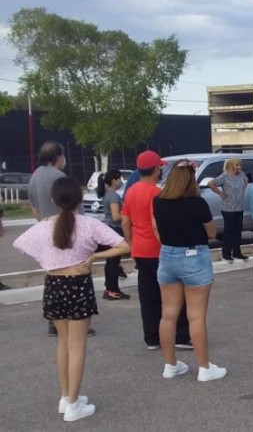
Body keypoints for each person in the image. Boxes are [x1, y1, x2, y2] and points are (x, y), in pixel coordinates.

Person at [14, 177, 130, 421]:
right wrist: (93, 258)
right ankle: (74, 405)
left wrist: (49, 261)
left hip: (53, 285)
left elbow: (20, 244)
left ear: (53, 200)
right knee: (77, 345)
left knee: (63, 344)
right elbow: (123, 246)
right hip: (78, 285)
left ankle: (66, 396)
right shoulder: (89, 224)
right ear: (79, 199)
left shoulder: (44, 226)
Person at [152, 159, 226, 382]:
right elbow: (212, 232)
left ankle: (170, 364)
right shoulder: (197, 203)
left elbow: (157, 227)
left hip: (167, 256)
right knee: (196, 317)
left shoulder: (159, 201)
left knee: (168, 314)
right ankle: (204, 367)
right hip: (194, 256)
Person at [122, 150, 192, 350]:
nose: (161, 170)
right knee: (175, 292)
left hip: (140, 250)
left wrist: (131, 244)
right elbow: (156, 223)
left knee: (148, 295)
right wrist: (167, 243)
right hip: (158, 249)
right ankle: (180, 335)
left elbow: (126, 222)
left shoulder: (132, 191)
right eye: (160, 167)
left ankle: (152, 337)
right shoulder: (156, 193)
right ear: (155, 169)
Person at [28, 141, 96, 337]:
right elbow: (75, 207)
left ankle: (54, 320)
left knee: (53, 274)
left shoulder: (34, 177)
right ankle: (75, 319)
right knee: (73, 274)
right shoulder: (59, 177)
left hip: (46, 228)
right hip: (65, 228)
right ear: (58, 157)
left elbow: (34, 208)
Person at [208, 158, 249, 263]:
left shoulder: (241, 174)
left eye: (240, 165)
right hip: (228, 208)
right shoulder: (224, 176)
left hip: (239, 206)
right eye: (237, 165)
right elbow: (211, 183)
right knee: (229, 231)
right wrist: (221, 193)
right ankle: (226, 253)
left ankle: (237, 252)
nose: (239, 167)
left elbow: (246, 180)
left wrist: (243, 190)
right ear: (231, 165)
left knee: (238, 230)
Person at [97, 169, 130, 300]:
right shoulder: (114, 196)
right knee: (114, 263)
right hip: (114, 229)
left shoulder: (106, 194)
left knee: (110, 262)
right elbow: (116, 216)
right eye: (119, 179)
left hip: (107, 228)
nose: (121, 182)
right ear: (113, 181)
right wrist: (128, 216)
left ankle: (109, 289)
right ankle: (113, 289)